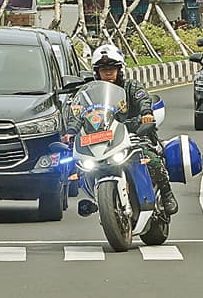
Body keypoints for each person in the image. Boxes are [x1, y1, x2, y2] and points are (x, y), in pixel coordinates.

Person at [62, 45, 178, 215]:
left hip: (133, 132)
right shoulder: (90, 93)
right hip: (102, 139)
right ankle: (97, 197)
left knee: (149, 157)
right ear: (97, 72)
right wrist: (71, 131)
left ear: (119, 70)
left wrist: (146, 113)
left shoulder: (131, 86)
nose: (108, 73)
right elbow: (78, 112)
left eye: (112, 69)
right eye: (104, 70)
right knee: (77, 166)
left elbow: (143, 99)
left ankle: (167, 194)